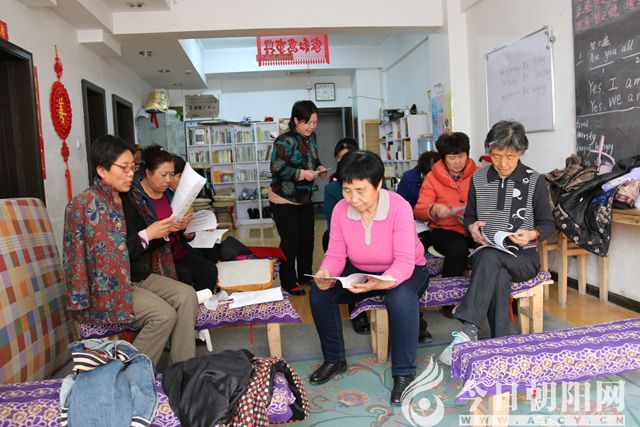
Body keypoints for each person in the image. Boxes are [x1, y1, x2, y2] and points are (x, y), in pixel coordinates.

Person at [63, 135, 198, 366]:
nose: (130, 175)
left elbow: (140, 244)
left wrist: (165, 231)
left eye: (132, 168)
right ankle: (127, 373)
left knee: (186, 295)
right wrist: (149, 234)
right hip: (108, 288)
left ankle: (182, 369)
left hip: (135, 276)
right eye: (124, 168)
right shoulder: (88, 204)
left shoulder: (129, 198)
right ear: (102, 170)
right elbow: (106, 259)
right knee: (163, 315)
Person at [309, 150, 429, 406]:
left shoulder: (399, 207)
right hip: (362, 270)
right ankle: (334, 359)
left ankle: (404, 373)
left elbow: (405, 261)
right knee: (319, 293)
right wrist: (326, 272)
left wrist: (382, 281)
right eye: (347, 190)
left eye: (360, 190)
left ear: (378, 184)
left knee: (400, 299)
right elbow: (335, 254)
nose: (353, 198)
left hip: (406, 270)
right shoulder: (341, 210)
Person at [439, 121, 554, 365]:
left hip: (523, 258)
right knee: (496, 269)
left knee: (490, 259)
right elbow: (470, 216)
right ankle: (501, 348)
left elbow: (547, 224)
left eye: (510, 157)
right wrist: (471, 228)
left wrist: (531, 235)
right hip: (487, 251)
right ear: (489, 151)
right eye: (496, 155)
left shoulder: (535, 181)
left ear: (521, 152)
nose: (502, 163)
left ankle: (468, 330)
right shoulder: (478, 179)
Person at [135, 145, 218, 292]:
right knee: (184, 276)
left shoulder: (170, 195)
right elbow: (141, 236)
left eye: (171, 174)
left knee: (209, 270)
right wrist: (167, 229)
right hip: (155, 257)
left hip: (177, 252)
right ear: (148, 172)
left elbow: (178, 230)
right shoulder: (137, 199)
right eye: (163, 175)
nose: (168, 180)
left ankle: (200, 304)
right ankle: (189, 304)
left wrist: (186, 231)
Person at [269, 100, 327, 295]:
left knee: (307, 238)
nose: (311, 126)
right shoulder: (284, 140)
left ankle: (304, 275)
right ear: (296, 120)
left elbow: (314, 160)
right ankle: (288, 281)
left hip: (304, 198)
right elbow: (276, 168)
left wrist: (319, 168)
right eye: (307, 123)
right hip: (283, 199)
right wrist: (302, 174)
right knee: (290, 240)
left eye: (314, 122)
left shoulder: (312, 138)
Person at [414, 132, 480, 279]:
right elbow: (419, 211)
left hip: (474, 226)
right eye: (452, 158)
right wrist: (434, 209)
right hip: (445, 230)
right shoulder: (432, 178)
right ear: (443, 158)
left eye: (461, 156)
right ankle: (448, 291)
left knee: (489, 246)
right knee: (457, 250)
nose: (458, 162)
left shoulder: (479, 173)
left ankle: (483, 288)